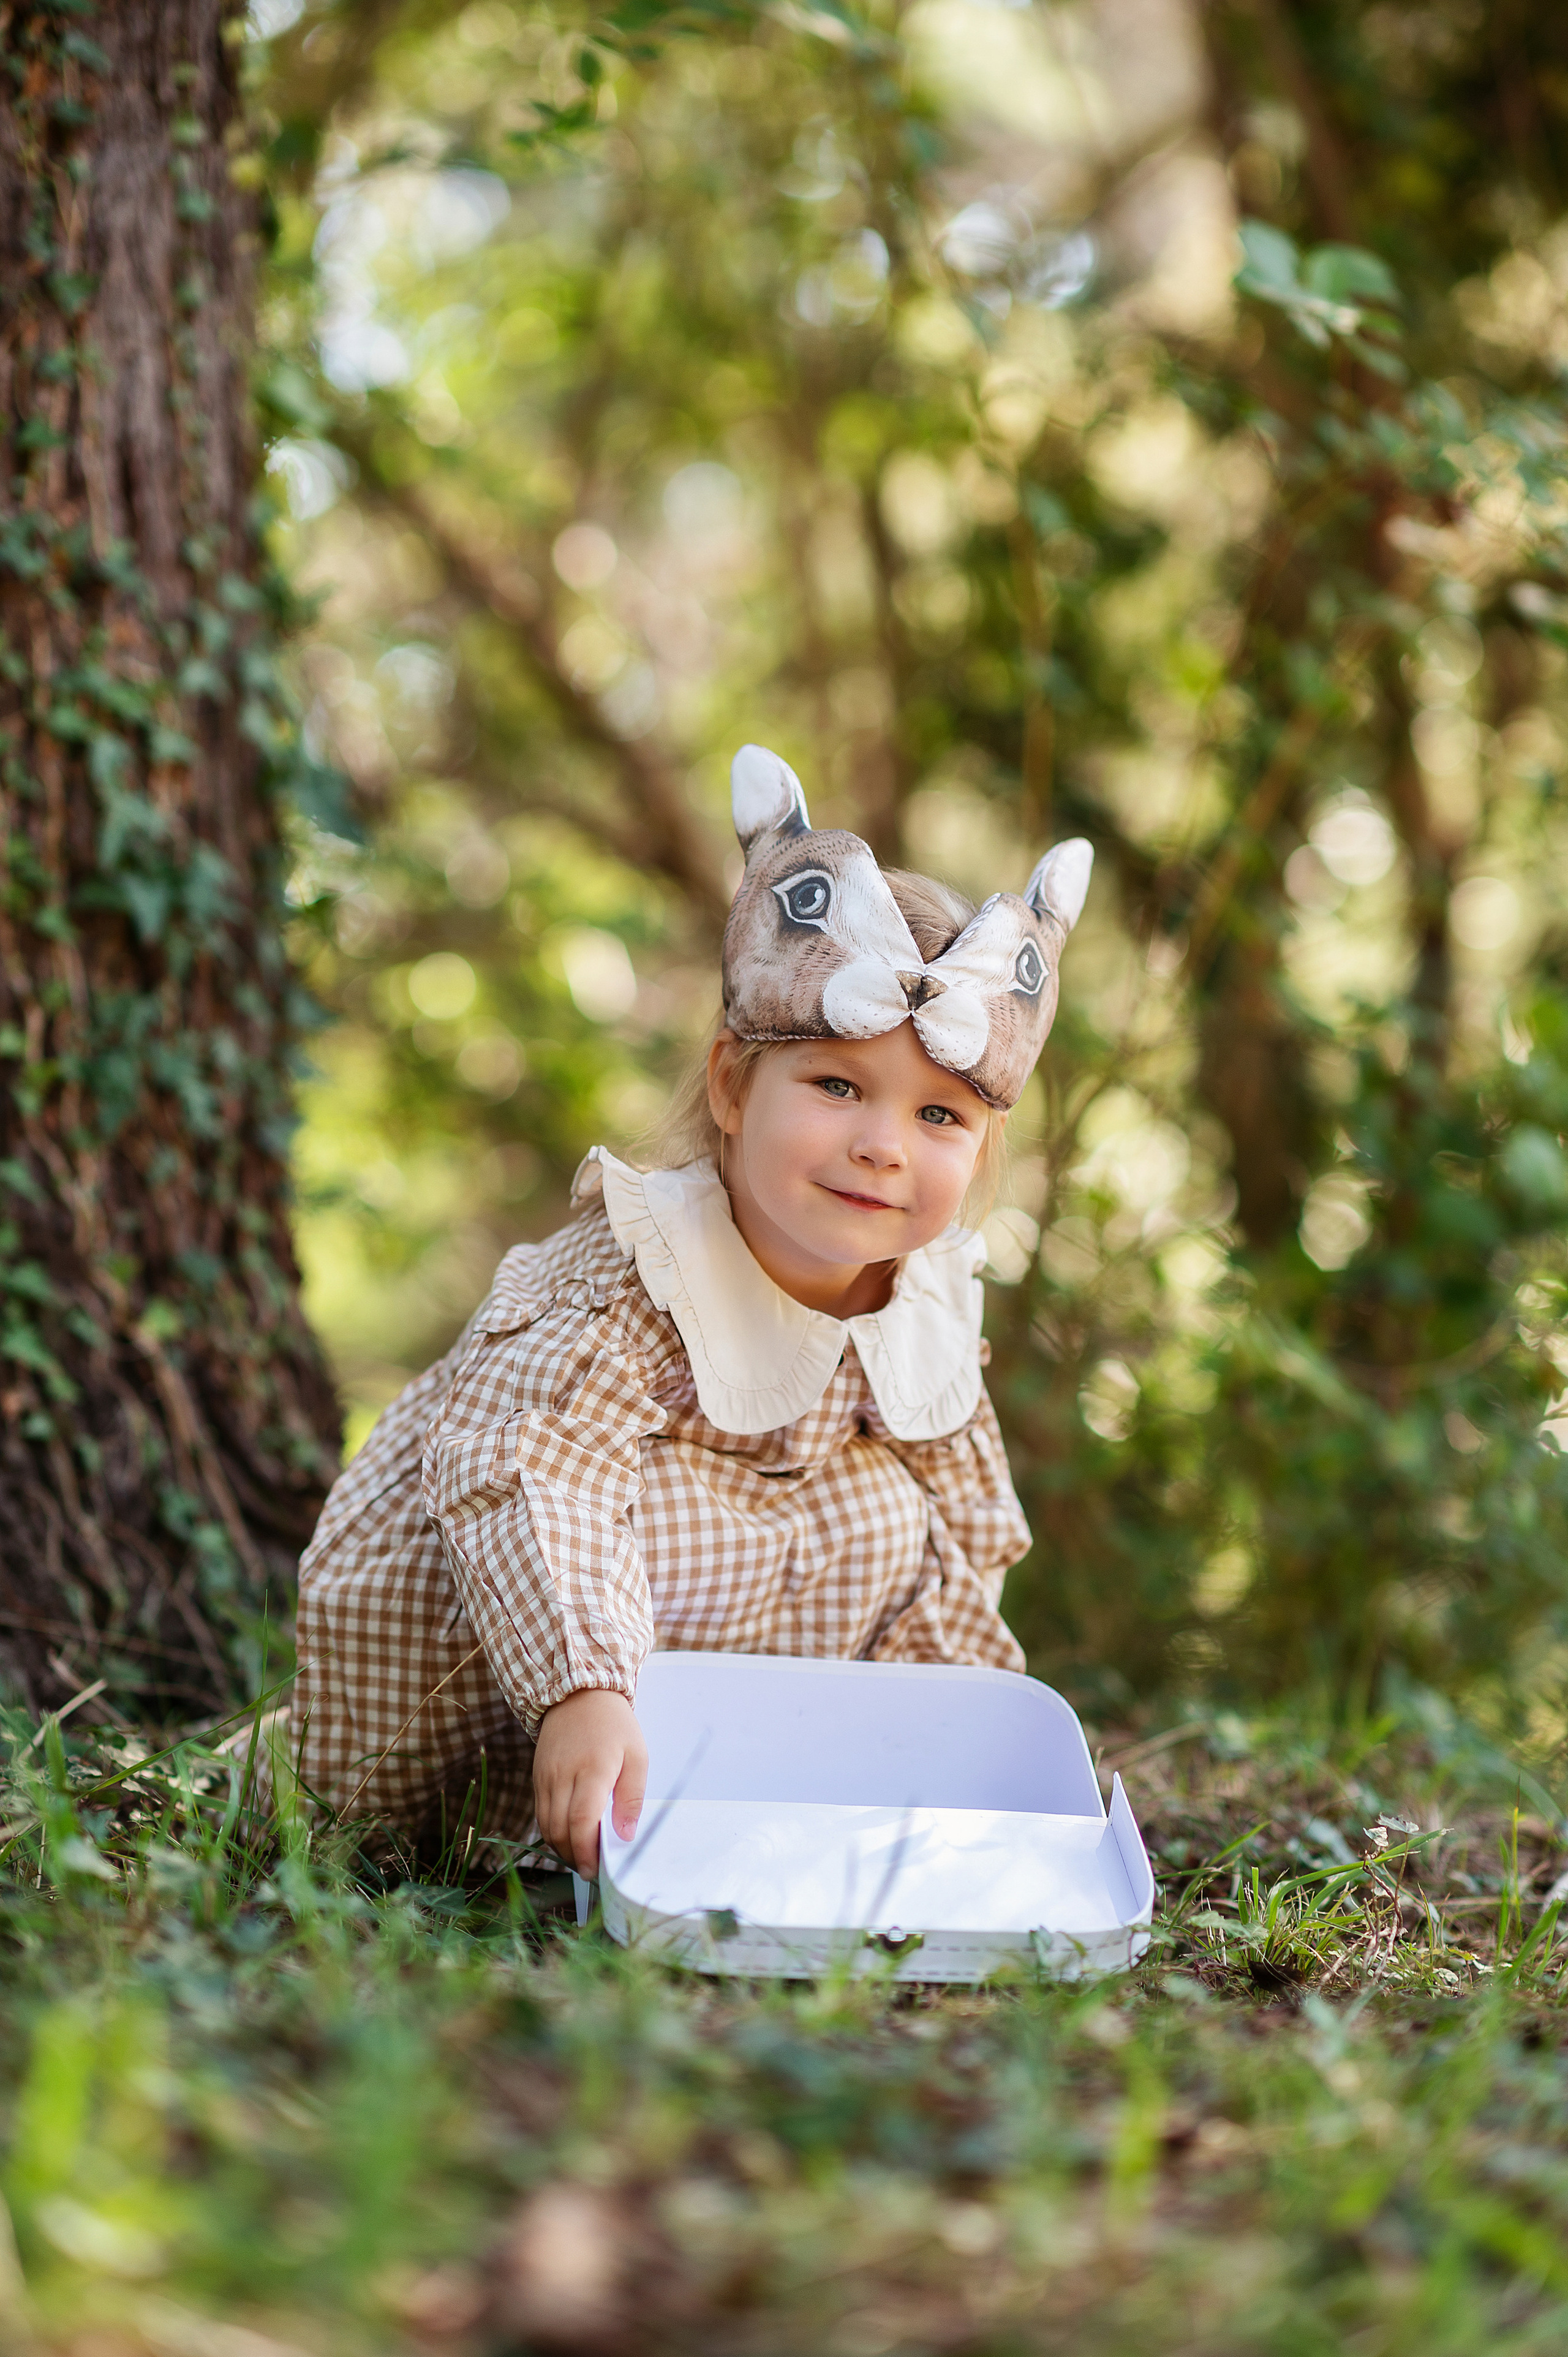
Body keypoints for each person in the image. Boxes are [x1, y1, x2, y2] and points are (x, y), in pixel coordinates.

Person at [287, 744, 1092, 1876]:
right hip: (502, 1663)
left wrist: (969, 1757)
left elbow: (961, 1552)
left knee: (894, 1518)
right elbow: (531, 1469)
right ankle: (508, 1813)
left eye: (940, 1119)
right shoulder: (637, 1276)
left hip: (716, 1724)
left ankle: (763, 1806)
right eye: (837, 1086)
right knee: (651, 1509)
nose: (882, 1145)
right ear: (731, 1085)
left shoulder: (929, 1307)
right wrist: (583, 1687)